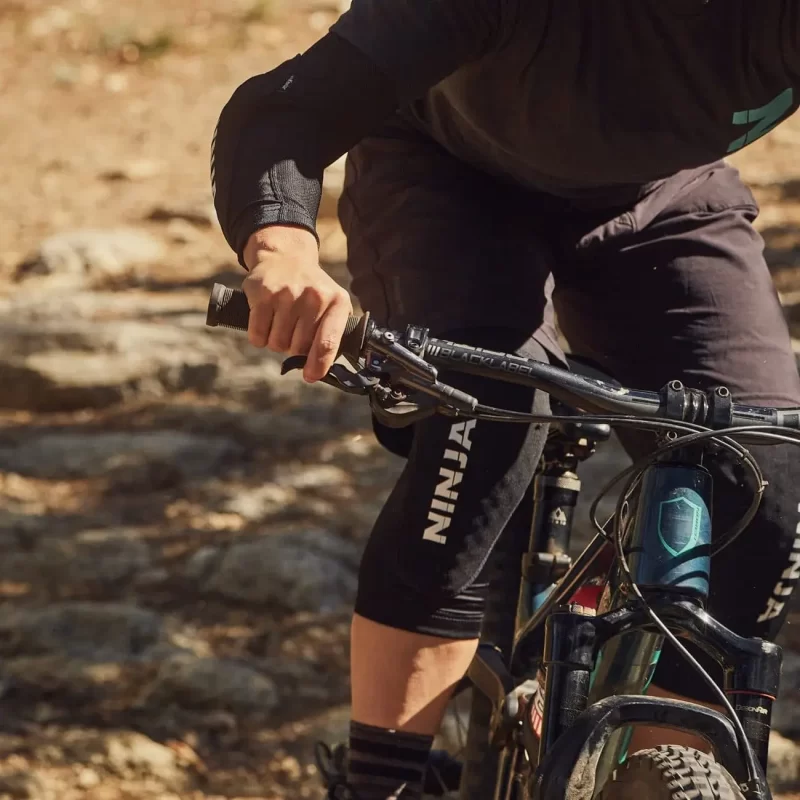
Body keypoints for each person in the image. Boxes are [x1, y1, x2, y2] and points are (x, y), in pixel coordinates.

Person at [210, 2, 800, 797]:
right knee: (487, 422)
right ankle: (384, 781)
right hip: (449, 179)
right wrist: (282, 250)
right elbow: (286, 110)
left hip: (663, 197)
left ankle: (665, 773)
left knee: (764, 469)